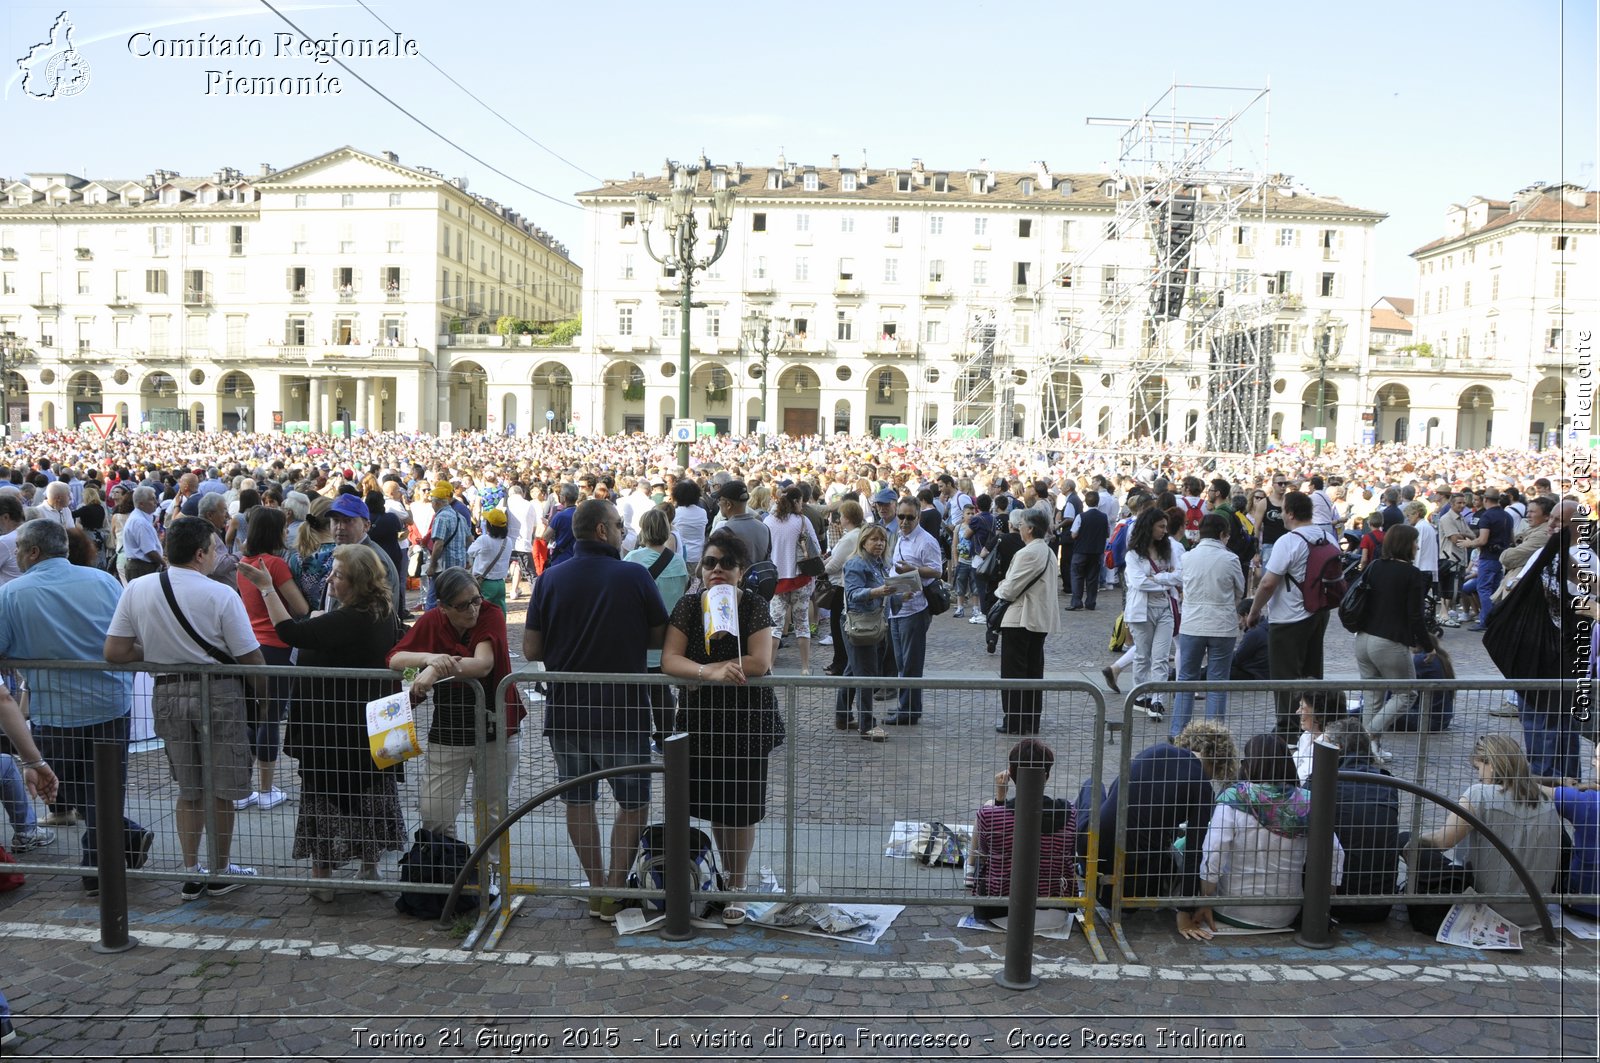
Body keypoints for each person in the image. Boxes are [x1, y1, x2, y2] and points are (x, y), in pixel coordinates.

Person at [104, 516, 264, 900]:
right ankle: (220, 869)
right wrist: (264, 699)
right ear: (200, 553)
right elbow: (252, 660)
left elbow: (115, 651)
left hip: (168, 692)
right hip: (220, 693)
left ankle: (192, 870)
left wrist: (160, 654)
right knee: (222, 788)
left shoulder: (138, 588)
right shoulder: (220, 594)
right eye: (213, 549)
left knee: (190, 788)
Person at [524, 499, 666, 921]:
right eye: (620, 525)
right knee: (633, 802)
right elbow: (659, 637)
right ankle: (612, 888)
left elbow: (531, 648)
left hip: (567, 709)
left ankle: (597, 885)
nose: (625, 532)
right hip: (621, 710)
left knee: (578, 801)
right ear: (603, 531)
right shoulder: (634, 575)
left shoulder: (550, 578)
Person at [240, 545, 403, 901]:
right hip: (366, 725)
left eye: (339, 574)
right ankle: (368, 868)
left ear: (358, 581)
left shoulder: (353, 617)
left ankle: (323, 877)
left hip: (333, 726)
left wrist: (268, 588)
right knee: (369, 792)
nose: (330, 578)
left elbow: (290, 633)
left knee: (326, 796)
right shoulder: (381, 610)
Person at [0, 519, 149, 899]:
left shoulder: (12, 594)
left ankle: (99, 866)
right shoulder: (101, 580)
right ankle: (113, 848)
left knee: (76, 786)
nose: (15, 555)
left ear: (33, 552)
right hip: (109, 700)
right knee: (100, 788)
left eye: (18, 549)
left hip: (58, 707)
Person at [659, 530, 784, 925]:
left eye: (726, 564)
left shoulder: (755, 604)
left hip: (747, 719)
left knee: (742, 808)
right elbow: (670, 659)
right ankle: (728, 879)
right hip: (703, 718)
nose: (717, 570)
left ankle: (738, 883)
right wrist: (707, 671)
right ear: (700, 567)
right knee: (717, 803)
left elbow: (761, 661)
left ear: (740, 570)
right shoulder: (687, 605)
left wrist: (721, 670)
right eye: (710, 562)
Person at [390, 567, 520, 843]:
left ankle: (490, 877)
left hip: (496, 726)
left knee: (491, 810)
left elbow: (483, 664)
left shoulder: (491, 613)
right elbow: (395, 659)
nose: (473, 609)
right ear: (444, 607)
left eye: (476, 599)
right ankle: (449, 867)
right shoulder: (434, 619)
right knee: (435, 810)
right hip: (449, 727)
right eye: (462, 605)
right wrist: (429, 659)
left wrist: (437, 669)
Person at [1181, 733, 1344, 937]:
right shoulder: (1309, 802)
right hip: (1287, 911)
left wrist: (1206, 899)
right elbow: (1336, 852)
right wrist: (1326, 900)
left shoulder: (1234, 799)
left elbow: (1214, 852)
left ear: (1250, 764)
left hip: (1231, 907)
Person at [1404, 734, 1564, 930]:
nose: (1479, 775)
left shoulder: (1480, 794)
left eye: (1479, 767)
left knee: (1411, 843)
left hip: (1490, 906)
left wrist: (1409, 840)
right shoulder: (1548, 802)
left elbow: (1443, 841)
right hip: (1535, 910)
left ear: (1493, 765)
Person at [1082, 719, 1239, 908]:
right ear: (1219, 762)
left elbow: (1119, 789)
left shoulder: (1156, 752)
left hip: (1091, 851)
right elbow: (1194, 851)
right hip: (1136, 884)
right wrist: (1185, 910)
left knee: (1093, 785)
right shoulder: (1203, 787)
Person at [233, 507, 310, 810]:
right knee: (271, 717)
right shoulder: (274, 564)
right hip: (277, 646)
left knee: (252, 717)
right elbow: (300, 607)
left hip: (250, 645)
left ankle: (245, 786)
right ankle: (266, 789)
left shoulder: (244, 563)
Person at [1244, 491, 1332, 735]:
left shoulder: (1289, 540)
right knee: (1313, 672)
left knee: (1285, 676)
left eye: (1283, 510)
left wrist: (1253, 611)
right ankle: (1314, 724)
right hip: (1318, 612)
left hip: (1289, 616)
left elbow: (1268, 584)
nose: (1281, 514)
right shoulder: (1327, 536)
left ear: (1290, 513)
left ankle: (1288, 729)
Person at [969, 738, 1078, 922]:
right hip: (1054, 910)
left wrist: (999, 798)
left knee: (989, 811)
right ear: (1046, 776)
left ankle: (968, 872)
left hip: (1001, 911)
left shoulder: (989, 815)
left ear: (1010, 774)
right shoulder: (1069, 815)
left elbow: (987, 852)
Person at [1351, 523, 1434, 760]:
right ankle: (1366, 737)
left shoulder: (1375, 566)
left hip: (1363, 638)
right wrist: (1428, 645)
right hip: (1388, 642)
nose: (1417, 547)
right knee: (1407, 693)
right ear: (1406, 545)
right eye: (1415, 542)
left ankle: (1367, 751)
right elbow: (1416, 615)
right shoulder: (1411, 573)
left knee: (1373, 696)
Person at [1319, 718, 1400, 924]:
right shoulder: (1386, 782)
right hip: (1379, 905)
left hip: (1326, 902)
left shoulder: (1321, 783)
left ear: (1336, 748)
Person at [1171, 513, 1245, 736]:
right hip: (1222, 625)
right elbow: (1240, 590)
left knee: (1186, 679)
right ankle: (1214, 735)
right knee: (1218, 682)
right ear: (1223, 535)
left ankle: (1178, 732)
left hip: (1192, 624)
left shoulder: (1187, 557)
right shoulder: (1230, 559)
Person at [624, 507, 690, 745]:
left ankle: (639, 737)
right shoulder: (679, 562)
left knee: (639, 693)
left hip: (640, 636)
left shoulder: (633, 560)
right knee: (662, 691)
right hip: (670, 636)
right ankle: (665, 736)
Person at [991, 508, 1059, 735]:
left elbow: (1010, 588)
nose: (1018, 528)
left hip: (1021, 619)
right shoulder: (1048, 551)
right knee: (1033, 672)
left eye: (1021, 525)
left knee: (1014, 673)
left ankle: (1016, 721)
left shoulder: (1029, 552)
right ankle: (1030, 721)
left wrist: (1000, 587)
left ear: (1030, 528)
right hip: (1038, 619)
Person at [884, 495, 944, 725]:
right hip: (897, 605)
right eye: (901, 516)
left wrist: (914, 569)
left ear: (918, 516)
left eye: (910, 517)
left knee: (910, 663)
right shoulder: (900, 537)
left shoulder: (926, 541)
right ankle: (907, 707)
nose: (905, 521)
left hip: (915, 608)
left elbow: (937, 571)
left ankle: (908, 710)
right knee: (901, 662)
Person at [1123, 507, 1184, 722]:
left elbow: (1180, 575)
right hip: (1141, 611)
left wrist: (1155, 579)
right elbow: (1138, 582)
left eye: (1166, 527)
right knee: (1142, 655)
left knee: (1160, 658)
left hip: (1165, 609)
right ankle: (1141, 694)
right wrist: (1165, 579)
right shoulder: (1133, 555)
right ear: (1149, 527)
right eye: (1161, 526)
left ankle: (1158, 699)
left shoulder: (1169, 550)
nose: (1164, 531)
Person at [839, 523, 892, 741]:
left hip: (871, 622)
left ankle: (842, 716)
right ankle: (866, 724)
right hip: (860, 625)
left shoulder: (878, 563)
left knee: (853, 670)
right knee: (866, 674)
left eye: (882, 540)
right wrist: (876, 591)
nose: (879, 543)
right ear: (863, 541)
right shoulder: (856, 563)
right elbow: (852, 594)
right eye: (874, 539)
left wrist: (898, 593)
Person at [764, 487, 822, 674]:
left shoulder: (768, 520)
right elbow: (817, 549)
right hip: (800, 577)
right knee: (802, 623)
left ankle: (770, 666)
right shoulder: (802, 521)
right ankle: (805, 667)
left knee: (775, 625)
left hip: (777, 579)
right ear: (797, 501)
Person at [327, 492, 404, 632]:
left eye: (348, 520)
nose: (340, 527)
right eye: (336, 520)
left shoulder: (373, 560)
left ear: (366, 525)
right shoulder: (345, 552)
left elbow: (374, 615)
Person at [1546, 743, 1600, 917]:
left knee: (1553, 826)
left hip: (1582, 905)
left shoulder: (1587, 802)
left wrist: (1556, 782)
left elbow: (1527, 788)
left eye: (1597, 758)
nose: (1593, 763)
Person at [822, 499, 865, 676]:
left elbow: (834, 564)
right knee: (837, 628)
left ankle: (840, 663)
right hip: (842, 584)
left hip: (840, 586)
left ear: (847, 517)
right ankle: (838, 662)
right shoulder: (855, 534)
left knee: (838, 629)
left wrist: (819, 570)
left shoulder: (850, 537)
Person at [427, 481, 472, 605]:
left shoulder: (441, 517)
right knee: (454, 597)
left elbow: (438, 544)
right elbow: (469, 539)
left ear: (436, 502)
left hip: (445, 566)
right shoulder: (458, 515)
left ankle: (434, 623)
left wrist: (432, 565)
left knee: (434, 598)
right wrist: (467, 558)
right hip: (459, 564)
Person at [1066, 489, 1109, 612]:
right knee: (1092, 578)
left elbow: (1074, 534)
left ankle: (1076, 601)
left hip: (1081, 550)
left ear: (1086, 502)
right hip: (1096, 551)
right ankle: (1090, 602)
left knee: (1077, 576)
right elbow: (1107, 533)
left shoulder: (1081, 516)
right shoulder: (1103, 517)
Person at [289, 496, 337, 607]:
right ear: (332, 522)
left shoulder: (297, 558)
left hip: (308, 620)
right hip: (337, 618)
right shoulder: (343, 553)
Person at [467, 507, 513, 617]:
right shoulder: (508, 540)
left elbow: (470, 552)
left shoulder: (484, 539)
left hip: (485, 583)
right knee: (500, 613)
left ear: (490, 525)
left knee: (482, 613)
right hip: (500, 583)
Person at [121, 486, 164, 581]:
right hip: (142, 567)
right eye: (152, 499)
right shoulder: (140, 522)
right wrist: (163, 564)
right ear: (141, 504)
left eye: (155, 498)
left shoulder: (141, 519)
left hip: (141, 566)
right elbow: (149, 551)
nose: (156, 502)